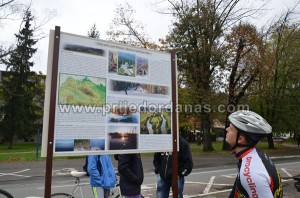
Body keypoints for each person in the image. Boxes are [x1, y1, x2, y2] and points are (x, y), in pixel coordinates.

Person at [226, 110, 282, 198]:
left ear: (240, 139)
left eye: (231, 128)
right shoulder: (254, 154)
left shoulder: (250, 173)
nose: (227, 129)